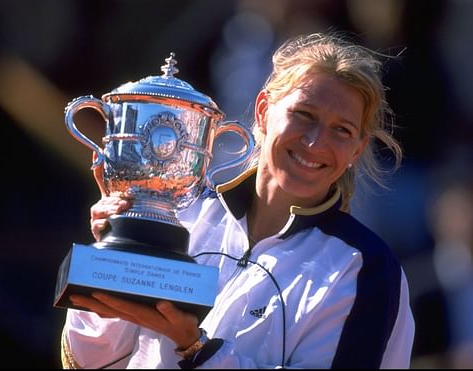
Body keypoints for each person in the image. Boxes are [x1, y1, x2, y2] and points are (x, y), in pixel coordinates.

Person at [60, 32, 415, 369]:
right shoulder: (184, 215)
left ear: (358, 148)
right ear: (263, 111)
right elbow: (89, 362)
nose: (314, 142)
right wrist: (116, 254)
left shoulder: (365, 269)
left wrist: (197, 348)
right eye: (304, 114)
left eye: (342, 130)